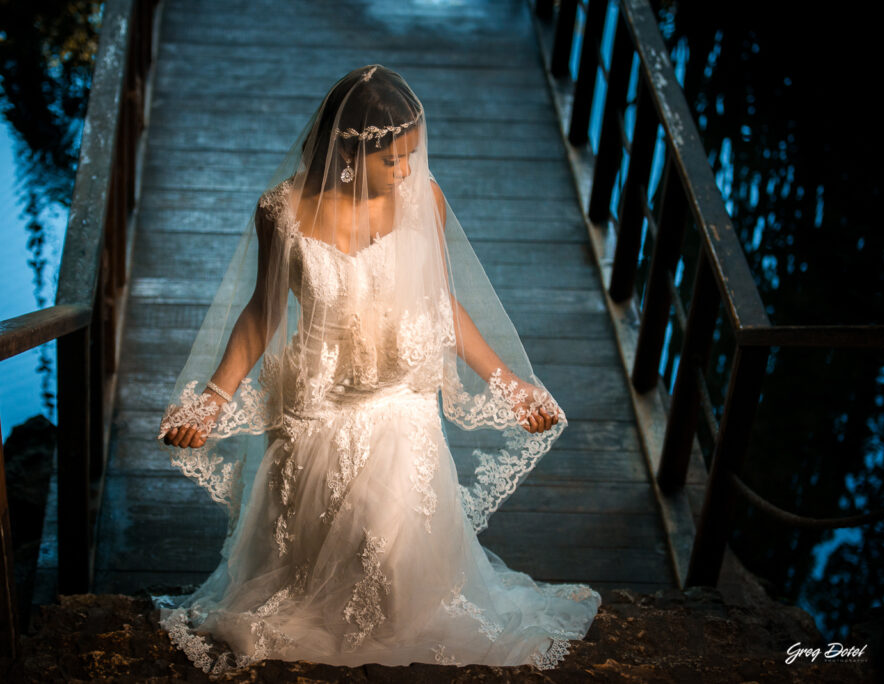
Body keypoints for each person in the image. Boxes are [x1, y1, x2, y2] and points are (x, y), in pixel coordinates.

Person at [153, 64, 600, 675]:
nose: (407, 172)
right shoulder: (281, 212)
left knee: (393, 576)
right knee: (312, 600)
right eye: (393, 160)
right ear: (346, 149)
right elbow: (262, 314)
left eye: (413, 155)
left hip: (401, 404)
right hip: (319, 409)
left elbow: (443, 305)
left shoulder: (425, 200)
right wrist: (212, 397)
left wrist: (509, 385)